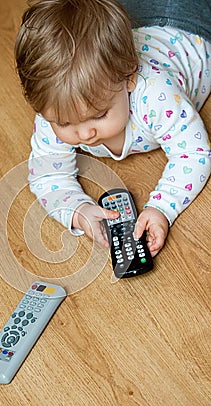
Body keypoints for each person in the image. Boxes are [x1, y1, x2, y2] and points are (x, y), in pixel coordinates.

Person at [14, 0, 211, 257]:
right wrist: (78, 211)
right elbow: (47, 175)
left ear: (129, 78)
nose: (84, 134)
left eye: (99, 115)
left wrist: (163, 207)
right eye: (64, 123)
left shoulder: (155, 94)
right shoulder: (54, 108)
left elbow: (194, 154)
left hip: (189, 20)